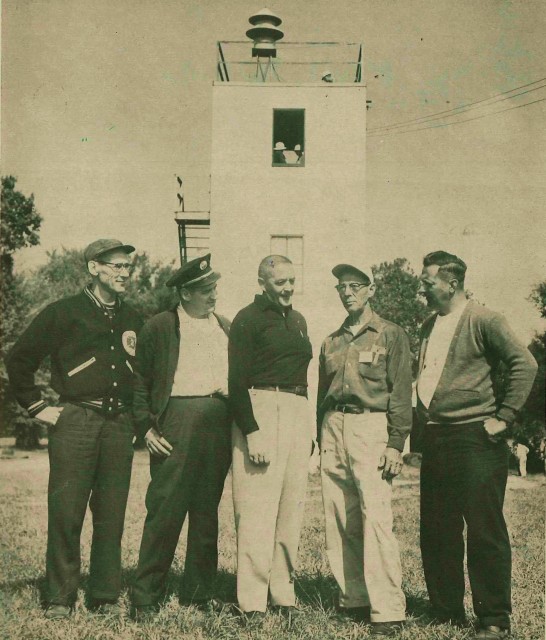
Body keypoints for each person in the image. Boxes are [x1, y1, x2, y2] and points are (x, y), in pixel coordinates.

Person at [7, 239, 143, 619]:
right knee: (67, 512)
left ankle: (104, 595)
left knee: (111, 513)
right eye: (115, 266)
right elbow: (19, 359)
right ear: (93, 268)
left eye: (127, 266)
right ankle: (59, 597)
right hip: (76, 421)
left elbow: (143, 373)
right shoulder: (64, 313)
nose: (124, 272)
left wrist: (136, 419)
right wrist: (38, 407)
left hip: (119, 424)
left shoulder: (132, 318)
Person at [417, 251, 538, 639]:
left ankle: (493, 619)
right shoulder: (427, 325)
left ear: (451, 283)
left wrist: (504, 417)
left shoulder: (485, 319)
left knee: (484, 530)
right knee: (437, 528)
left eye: (427, 280)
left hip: (475, 439)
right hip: (437, 437)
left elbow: (526, 364)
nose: (422, 285)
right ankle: (446, 610)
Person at [131, 254, 231, 619]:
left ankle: (199, 595)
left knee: (206, 513)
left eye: (215, 288)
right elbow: (139, 383)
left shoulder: (224, 326)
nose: (213, 296)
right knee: (165, 510)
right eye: (206, 290)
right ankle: (145, 596)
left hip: (218, 426)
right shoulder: (160, 326)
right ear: (186, 293)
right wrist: (145, 427)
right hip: (176, 423)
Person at [317, 262, 411, 637]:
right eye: (342, 287)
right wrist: (319, 436)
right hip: (333, 427)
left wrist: (395, 442)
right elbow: (321, 395)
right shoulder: (332, 340)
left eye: (355, 286)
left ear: (371, 290)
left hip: (371, 426)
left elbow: (401, 392)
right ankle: (353, 598)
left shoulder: (390, 334)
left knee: (375, 516)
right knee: (339, 516)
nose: (347, 292)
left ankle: (387, 609)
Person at [228, 255, 313, 625]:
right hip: (261, 407)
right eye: (280, 282)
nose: (288, 288)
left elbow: (304, 378)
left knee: (289, 509)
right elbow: (235, 382)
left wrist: (306, 430)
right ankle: (251, 601)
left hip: (296, 408)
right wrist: (252, 430)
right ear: (262, 282)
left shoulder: (298, 320)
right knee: (257, 509)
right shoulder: (247, 319)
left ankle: (282, 592)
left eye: (292, 281)